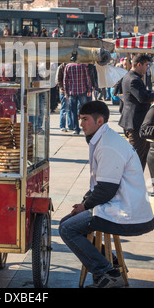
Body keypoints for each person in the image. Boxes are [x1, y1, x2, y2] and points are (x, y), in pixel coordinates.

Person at [59, 100, 154, 288]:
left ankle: (108, 273)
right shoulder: (104, 139)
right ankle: (112, 263)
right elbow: (99, 186)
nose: (81, 124)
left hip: (128, 213)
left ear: (100, 121)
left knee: (67, 229)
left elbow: (105, 190)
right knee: (66, 222)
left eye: (85, 119)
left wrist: (85, 206)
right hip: (118, 206)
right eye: (80, 119)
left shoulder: (108, 145)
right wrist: (84, 203)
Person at [118, 53, 154, 170]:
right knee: (136, 157)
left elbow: (144, 94)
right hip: (135, 123)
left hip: (137, 122)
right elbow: (142, 98)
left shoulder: (132, 77)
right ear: (139, 64)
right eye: (146, 65)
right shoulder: (133, 79)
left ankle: (137, 185)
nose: (147, 68)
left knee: (142, 155)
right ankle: (132, 185)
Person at [63, 63, 92, 135]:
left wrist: (66, 92)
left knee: (73, 111)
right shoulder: (83, 66)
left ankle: (76, 129)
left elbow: (65, 81)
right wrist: (89, 90)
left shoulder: (68, 66)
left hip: (72, 92)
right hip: (82, 91)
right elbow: (87, 79)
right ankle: (87, 127)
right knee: (85, 110)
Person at [56, 63, 73, 132]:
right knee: (64, 109)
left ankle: (70, 125)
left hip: (71, 91)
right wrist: (63, 89)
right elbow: (58, 80)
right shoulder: (61, 67)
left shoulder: (70, 66)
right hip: (64, 92)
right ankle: (62, 126)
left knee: (70, 109)